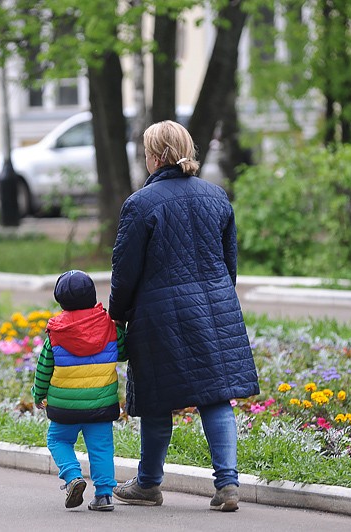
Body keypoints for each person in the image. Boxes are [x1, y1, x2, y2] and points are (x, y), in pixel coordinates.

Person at [108, 120, 260, 512]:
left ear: (156, 156)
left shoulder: (140, 204)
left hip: (158, 316)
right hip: (216, 309)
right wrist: (219, 297)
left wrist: (118, 315)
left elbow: (125, 272)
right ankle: (228, 485)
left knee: (156, 400)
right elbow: (229, 263)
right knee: (215, 397)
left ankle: (147, 484)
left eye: (146, 152)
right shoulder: (216, 196)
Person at [32, 270, 127, 512]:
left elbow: (44, 369)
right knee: (102, 448)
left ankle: (73, 476)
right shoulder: (109, 327)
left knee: (58, 439)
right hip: (101, 405)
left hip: (65, 408)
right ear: (93, 295)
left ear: (60, 301)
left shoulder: (56, 333)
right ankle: (104, 495)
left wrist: (38, 394)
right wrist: (120, 329)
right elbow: (124, 352)